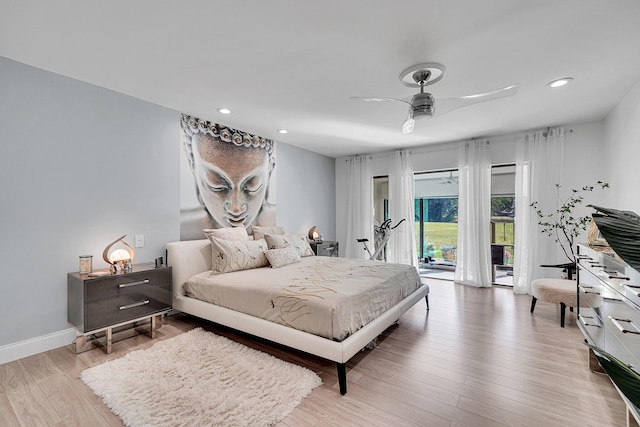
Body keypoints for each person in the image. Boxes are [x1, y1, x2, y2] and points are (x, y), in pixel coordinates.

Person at [179, 113, 276, 240]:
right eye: (217, 185)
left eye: (253, 185)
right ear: (193, 165)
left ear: (268, 173)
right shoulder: (184, 229)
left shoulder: (276, 219)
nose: (236, 208)